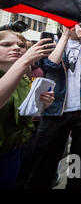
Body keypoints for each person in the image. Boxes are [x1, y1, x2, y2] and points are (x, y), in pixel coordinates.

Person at [26, 24, 81, 189]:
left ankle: (73, 186)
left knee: (77, 158)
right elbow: (50, 66)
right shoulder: (52, 42)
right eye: (70, 22)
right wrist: (64, 37)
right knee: (45, 158)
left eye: (80, 22)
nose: (76, 26)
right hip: (55, 111)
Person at [0, 30, 54, 188]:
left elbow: (26, 111)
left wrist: (43, 104)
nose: (16, 48)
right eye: (7, 44)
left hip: (13, 152)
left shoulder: (24, 78)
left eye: (21, 45)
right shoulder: (22, 69)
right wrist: (23, 62)